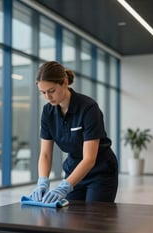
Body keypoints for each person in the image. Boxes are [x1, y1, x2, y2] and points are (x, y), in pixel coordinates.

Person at [29, 61, 118, 204]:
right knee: (71, 219)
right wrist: (42, 181)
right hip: (74, 171)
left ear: (64, 82)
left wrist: (64, 187)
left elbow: (89, 159)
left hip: (100, 172)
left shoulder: (89, 108)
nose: (47, 97)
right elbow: (45, 154)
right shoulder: (48, 112)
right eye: (43, 92)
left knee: (94, 221)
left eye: (51, 91)